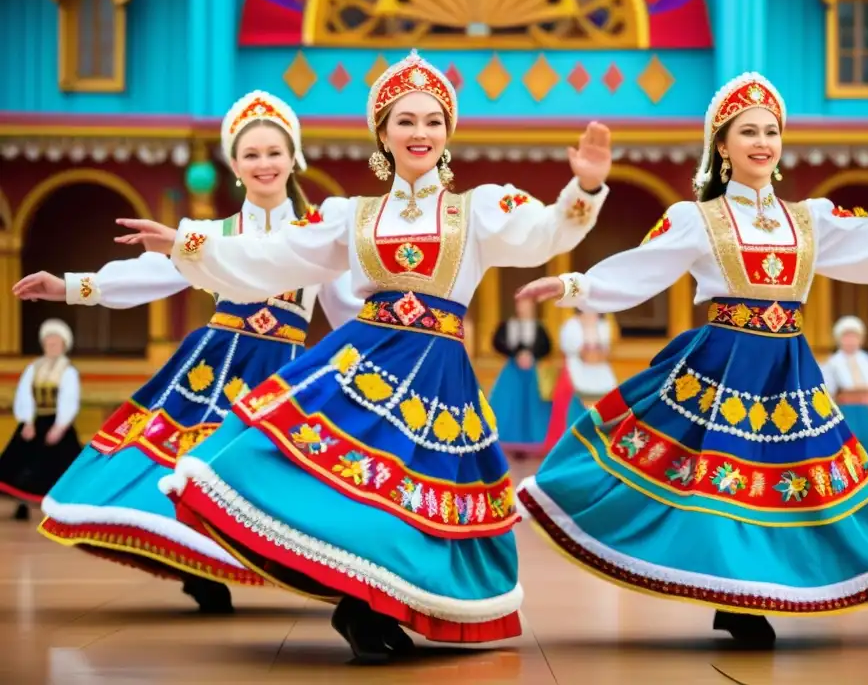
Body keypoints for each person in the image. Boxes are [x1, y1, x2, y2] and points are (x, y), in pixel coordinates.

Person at [113, 50, 612, 663]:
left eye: (432, 120)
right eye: (405, 121)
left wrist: (583, 189)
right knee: (356, 484)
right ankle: (360, 606)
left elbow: (545, 233)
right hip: (365, 363)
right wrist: (188, 242)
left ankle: (375, 606)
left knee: (415, 495)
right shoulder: (352, 216)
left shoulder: (477, 209)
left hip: (437, 372)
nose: (420, 132)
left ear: (448, 132)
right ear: (383, 133)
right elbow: (274, 257)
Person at [513, 72, 868, 648]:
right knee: (723, 477)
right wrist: (575, 287)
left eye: (771, 131)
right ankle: (736, 599)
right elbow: (644, 267)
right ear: (722, 146)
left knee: (793, 480)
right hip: (722, 365)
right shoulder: (699, 218)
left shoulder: (809, 219)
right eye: (748, 132)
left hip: (786, 367)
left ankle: (766, 589)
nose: (763, 142)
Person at [13, 90, 364, 614]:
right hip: (218, 362)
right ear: (236, 167)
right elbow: (147, 275)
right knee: (184, 461)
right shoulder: (209, 233)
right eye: (251, 155)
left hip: (283, 370)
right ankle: (194, 562)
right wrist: (68, 287)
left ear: (293, 159)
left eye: (274, 152)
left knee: (275, 468)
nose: (264, 163)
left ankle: (278, 561)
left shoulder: (318, 235)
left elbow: (346, 309)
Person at [0, 319, 81, 520]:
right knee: (22, 463)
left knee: (61, 466)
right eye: (48, 342)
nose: (51, 346)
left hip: (57, 423)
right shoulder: (34, 368)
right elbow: (24, 395)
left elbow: (69, 399)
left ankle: (62, 510)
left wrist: (60, 427)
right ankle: (22, 506)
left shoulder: (68, 371)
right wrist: (27, 422)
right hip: (35, 422)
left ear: (63, 345)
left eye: (55, 343)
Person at [541, 311, 618, 454]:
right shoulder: (571, 326)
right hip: (575, 372)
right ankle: (571, 448)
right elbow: (574, 350)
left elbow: (607, 350)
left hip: (600, 373)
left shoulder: (604, 324)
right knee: (573, 411)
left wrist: (597, 354)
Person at [490, 296, 553, 457]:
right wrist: (516, 354)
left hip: (532, 372)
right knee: (510, 403)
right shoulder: (508, 325)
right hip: (513, 371)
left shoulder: (539, 327)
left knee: (532, 405)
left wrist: (531, 355)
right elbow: (497, 342)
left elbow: (547, 346)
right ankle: (510, 440)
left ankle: (533, 441)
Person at [821, 315, 868, 472]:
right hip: (846, 411)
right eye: (846, 336)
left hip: (866, 411)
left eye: (854, 336)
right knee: (849, 444)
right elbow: (829, 390)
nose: (850, 340)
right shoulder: (833, 363)